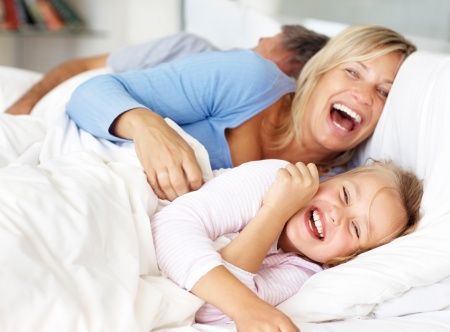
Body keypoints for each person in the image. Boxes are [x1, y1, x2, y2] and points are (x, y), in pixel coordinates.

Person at [65, 25, 416, 201]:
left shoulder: (340, 185)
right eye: (352, 72)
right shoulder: (249, 78)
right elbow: (88, 93)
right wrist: (147, 127)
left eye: (384, 92)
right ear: (318, 72)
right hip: (80, 171)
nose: (363, 95)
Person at [151, 159, 423, 331]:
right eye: (345, 194)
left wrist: (244, 307)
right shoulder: (277, 178)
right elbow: (169, 227)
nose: (337, 215)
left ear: (344, 258)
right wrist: (275, 210)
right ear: (326, 178)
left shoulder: (304, 273)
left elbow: (210, 309)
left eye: (355, 228)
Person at [5, 25, 328, 115]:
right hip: (61, 106)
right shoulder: (189, 47)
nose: (257, 39)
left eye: (268, 40)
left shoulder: (267, 108)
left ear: (290, 64)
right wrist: (26, 104)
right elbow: (80, 66)